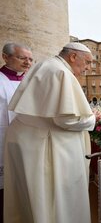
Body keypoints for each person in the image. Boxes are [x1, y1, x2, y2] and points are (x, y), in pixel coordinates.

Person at [4, 42, 95, 223]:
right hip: (42, 145)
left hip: (29, 140)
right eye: (87, 62)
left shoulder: (48, 65)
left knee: (31, 198)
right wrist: (93, 118)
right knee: (49, 198)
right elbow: (66, 119)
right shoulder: (61, 72)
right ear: (73, 56)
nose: (88, 68)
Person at [0, 42, 33, 223]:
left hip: (26, 141)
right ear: (5, 57)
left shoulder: (31, 81)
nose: (28, 63)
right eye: (22, 58)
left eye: (30, 59)